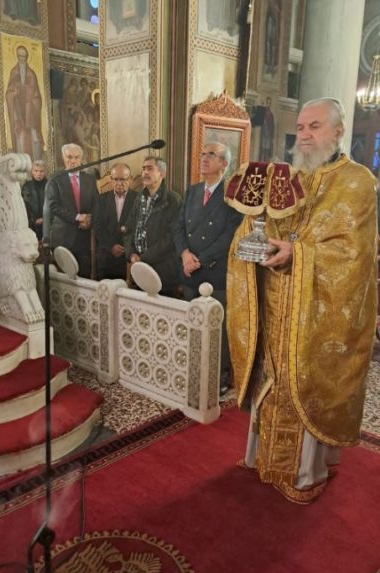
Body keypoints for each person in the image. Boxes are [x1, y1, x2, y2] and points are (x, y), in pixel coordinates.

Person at [227, 97, 378, 503]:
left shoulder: (358, 181)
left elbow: (354, 255)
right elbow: (261, 225)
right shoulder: (289, 176)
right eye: (301, 127)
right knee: (271, 377)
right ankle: (263, 457)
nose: (305, 135)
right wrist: (253, 235)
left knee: (307, 381)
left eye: (315, 126)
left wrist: (299, 254)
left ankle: (305, 472)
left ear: (338, 131)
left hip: (316, 309)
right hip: (276, 299)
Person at [173, 142, 243, 396]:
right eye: (203, 154)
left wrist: (200, 259)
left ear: (224, 163)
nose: (204, 158)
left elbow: (231, 234)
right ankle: (193, 371)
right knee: (193, 325)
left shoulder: (231, 194)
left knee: (217, 330)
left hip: (214, 271)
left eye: (211, 155)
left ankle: (219, 378)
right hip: (189, 271)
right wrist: (184, 254)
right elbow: (178, 226)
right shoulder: (192, 191)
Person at [123, 156, 180, 296]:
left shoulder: (173, 200)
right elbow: (128, 228)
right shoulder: (139, 198)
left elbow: (171, 237)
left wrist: (145, 257)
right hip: (140, 268)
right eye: (143, 169)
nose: (145, 173)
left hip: (163, 270)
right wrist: (131, 253)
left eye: (150, 169)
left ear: (162, 174)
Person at [46, 143, 99, 278]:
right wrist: (78, 217)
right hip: (63, 237)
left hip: (84, 238)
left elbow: (96, 203)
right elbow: (53, 206)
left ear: (81, 158)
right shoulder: (55, 179)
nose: (73, 161)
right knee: (64, 279)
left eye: (76, 157)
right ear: (63, 158)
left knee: (84, 277)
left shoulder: (89, 179)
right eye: (69, 157)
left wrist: (90, 218)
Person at [94, 163, 137, 280]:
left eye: (123, 179)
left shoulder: (138, 200)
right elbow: (97, 226)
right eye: (115, 179)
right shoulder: (101, 199)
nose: (119, 183)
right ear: (111, 180)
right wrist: (111, 246)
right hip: (106, 254)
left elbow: (139, 228)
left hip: (128, 256)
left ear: (130, 179)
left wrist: (126, 248)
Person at [5, 45, 44, 160]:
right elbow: (9, 92)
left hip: (29, 111)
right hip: (18, 111)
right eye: (20, 56)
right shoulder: (14, 72)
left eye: (24, 56)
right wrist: (14, 93)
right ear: (17, 56)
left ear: (27, 57)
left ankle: (35, 160)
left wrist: (30, 98)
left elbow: (37, 95)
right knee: (20, 136)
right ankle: (20, 159)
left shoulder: (31, 74)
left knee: (32, 135)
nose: (22, 59)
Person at [21, 160, 47, 241]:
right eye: (36, 171)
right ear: (32, 171)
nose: (38, 173)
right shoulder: (26, 186)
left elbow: (53, 205)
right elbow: (24, 206)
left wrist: (44, 218)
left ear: (45, 172)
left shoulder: (50, 185)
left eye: (41, 171)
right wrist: (33, 220)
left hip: (47, 224)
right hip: (30, 225)